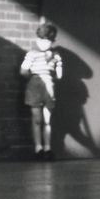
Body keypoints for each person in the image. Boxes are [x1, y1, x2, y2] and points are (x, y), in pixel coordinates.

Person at [20, 20, 63, 158]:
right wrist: (32, 77)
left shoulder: (55, 55)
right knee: (37, 119)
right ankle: (38, 148)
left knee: (47, 120)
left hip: (48, 87)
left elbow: (58, 74)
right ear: (37, 38)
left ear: (52, 41)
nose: (44, 43)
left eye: (48, 40)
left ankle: (47, 148)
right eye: (41, 39)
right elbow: (23, 70)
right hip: (35, 86)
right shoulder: (32, 53)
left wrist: (56, 67)